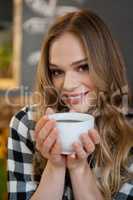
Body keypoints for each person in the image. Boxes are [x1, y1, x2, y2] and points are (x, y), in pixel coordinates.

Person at [7, 9, 133, 200]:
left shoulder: (129, 134)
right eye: (57, 72)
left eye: (83, 67)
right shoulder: (26, 124)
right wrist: (55, 166)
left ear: (105, 65)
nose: (68, 85)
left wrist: (79, 168)